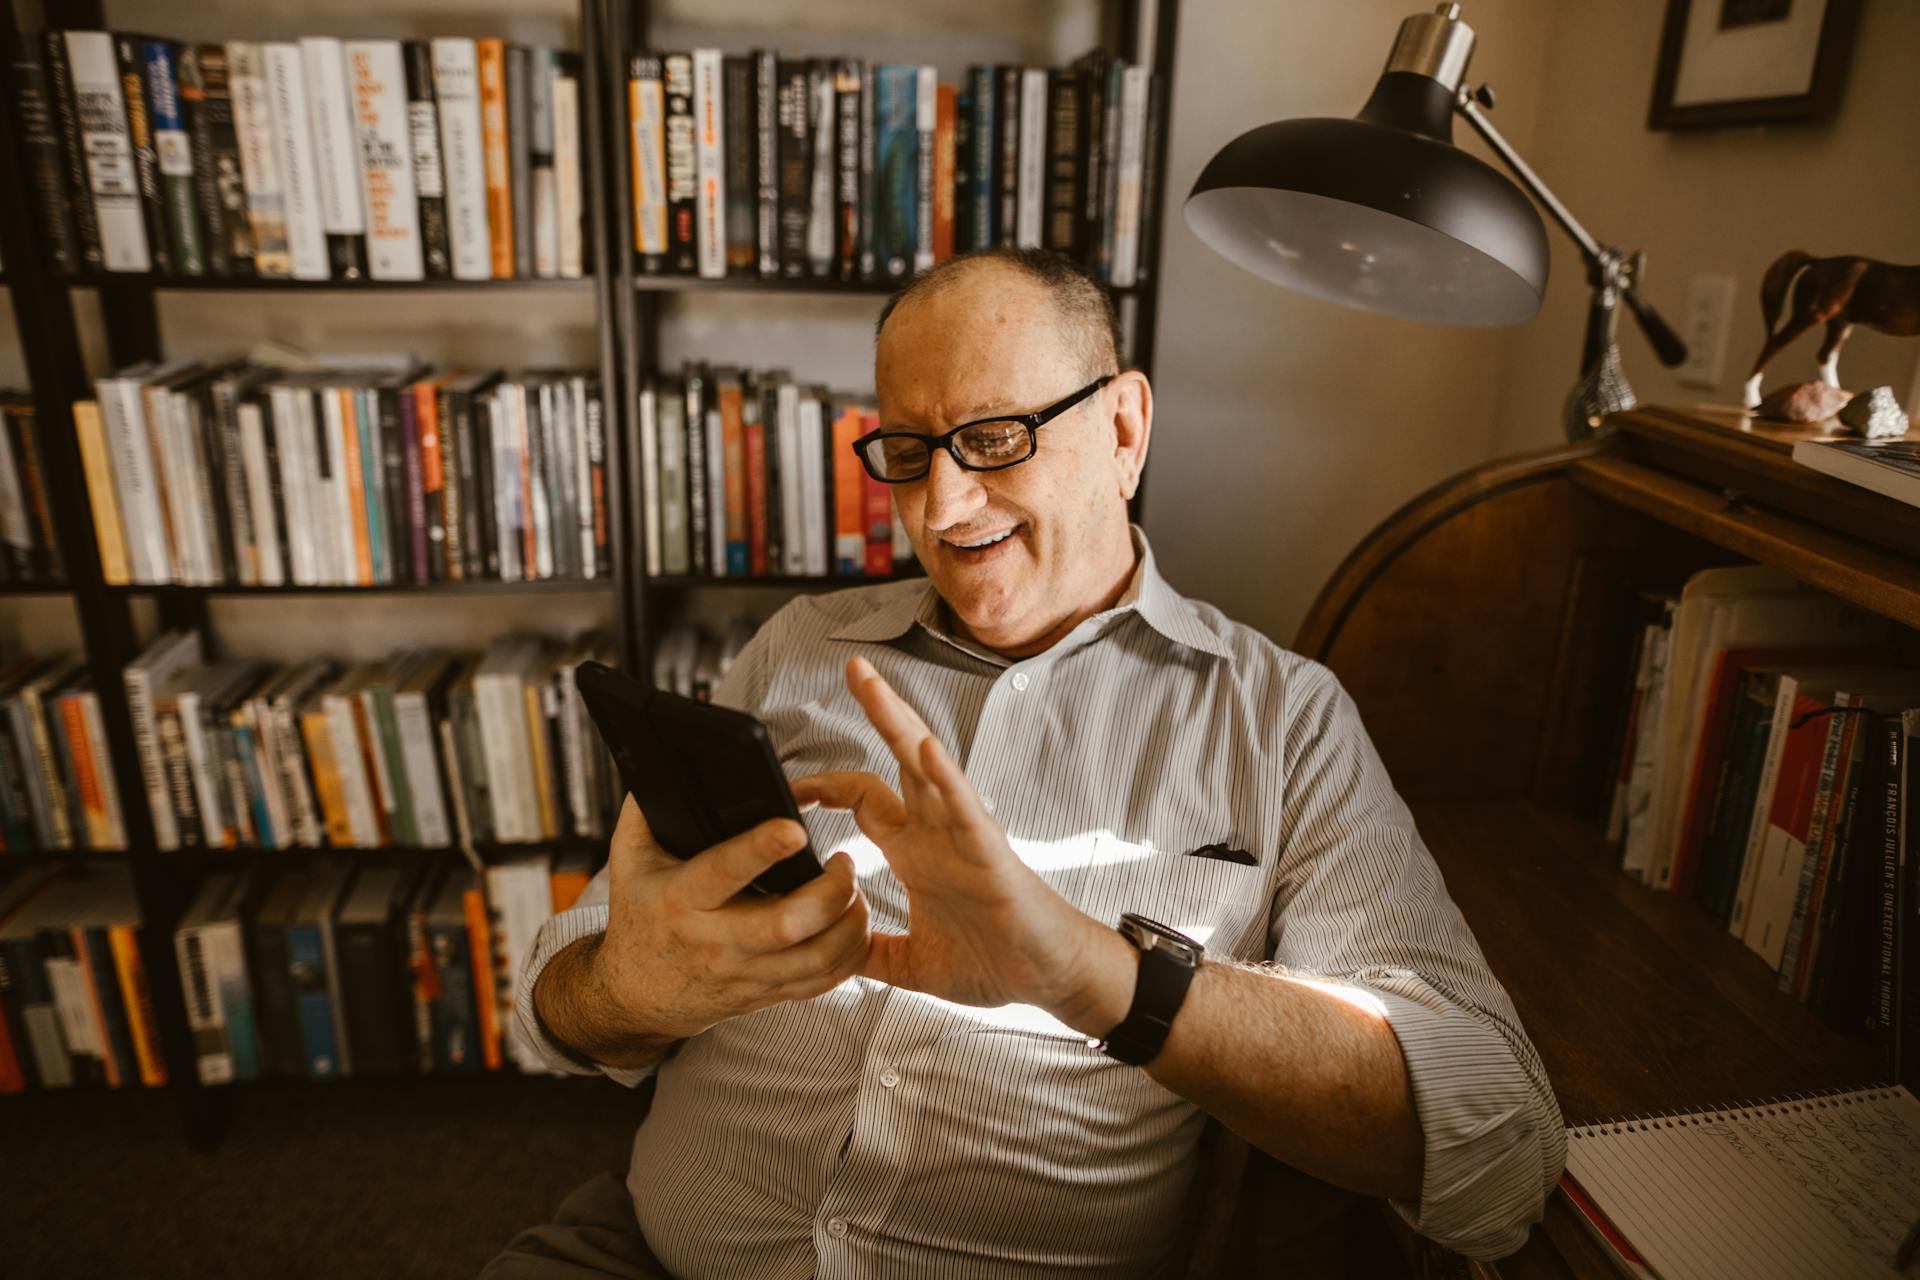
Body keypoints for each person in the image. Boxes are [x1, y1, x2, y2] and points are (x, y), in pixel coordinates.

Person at [484, 246, 1564, 1280]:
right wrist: (628, 986)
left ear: (1125, 427)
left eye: (994, 436)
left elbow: (1499, 1154)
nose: (942, 509)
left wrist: (1091, 974)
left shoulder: (1282, 720)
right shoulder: (799, 648)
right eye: (908, 453)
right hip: (646, 1251)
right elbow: (555, 1010)